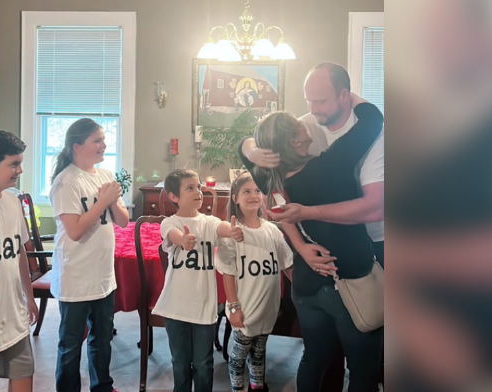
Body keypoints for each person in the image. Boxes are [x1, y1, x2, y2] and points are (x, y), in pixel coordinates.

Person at [238, 100, 384, 391]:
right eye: (300, 124)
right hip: (346, 280)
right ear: (295, 140)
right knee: (362, 368)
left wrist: (252, 150)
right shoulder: (328, 166)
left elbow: (242, 147)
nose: (307, 122)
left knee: (314, 359)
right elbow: (372, 120)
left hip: (306, 285)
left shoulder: (267, 176)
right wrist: (349, 97)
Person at [243, 63, 385, 268]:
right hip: (324, 245)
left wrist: (307, 212)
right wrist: (251, 150)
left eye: (320, 101)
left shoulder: (372, 138)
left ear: (343, 95)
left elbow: (375, 209)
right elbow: (275, 195)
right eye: (309, 101)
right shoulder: (307, 125)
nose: (313, 109)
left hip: (376, 241)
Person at [48, 118, 130, 392]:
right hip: (76, 275)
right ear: (77, 146)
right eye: (97, 140)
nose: (103, 145)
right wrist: (104, 202)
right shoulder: (66, 181)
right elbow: (74, 231)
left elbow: (121, 220)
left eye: (103, 140)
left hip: (103, 275)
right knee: (71, 343)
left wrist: (114, 200)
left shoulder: (104, 175)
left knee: (102, 337)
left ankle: (102, 386)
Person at [153, 169, 243, 392]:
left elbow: (222, 228)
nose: (198, 192)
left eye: (199, 187)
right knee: (180, 362)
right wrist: (183, 239)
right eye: (190, 188)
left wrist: (232, 231)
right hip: (176, 306)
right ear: (174, 197)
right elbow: (172, 235)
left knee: (204, 363)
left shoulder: (209, 222)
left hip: (203, 306)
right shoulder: (169, 222)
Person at [216, 172, 294, 392]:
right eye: (246, 191)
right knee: (240, 353)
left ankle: (257, 385)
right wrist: (233, 307)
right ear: (235, 198)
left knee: (259, 350)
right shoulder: (232, 233)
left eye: (257, 191)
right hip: (245, 306)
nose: (253, 196)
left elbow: (287, 264)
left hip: (268, 307)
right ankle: (237, 388)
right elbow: (228, 272)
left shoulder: (272, 230)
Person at [0, 130, 39, 392]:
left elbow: (19, 251)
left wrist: (29, 295)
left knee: (24, 375)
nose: (19, 170)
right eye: (13, 164)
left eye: (20, 163)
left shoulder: (12, 202)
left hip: (14, 317)